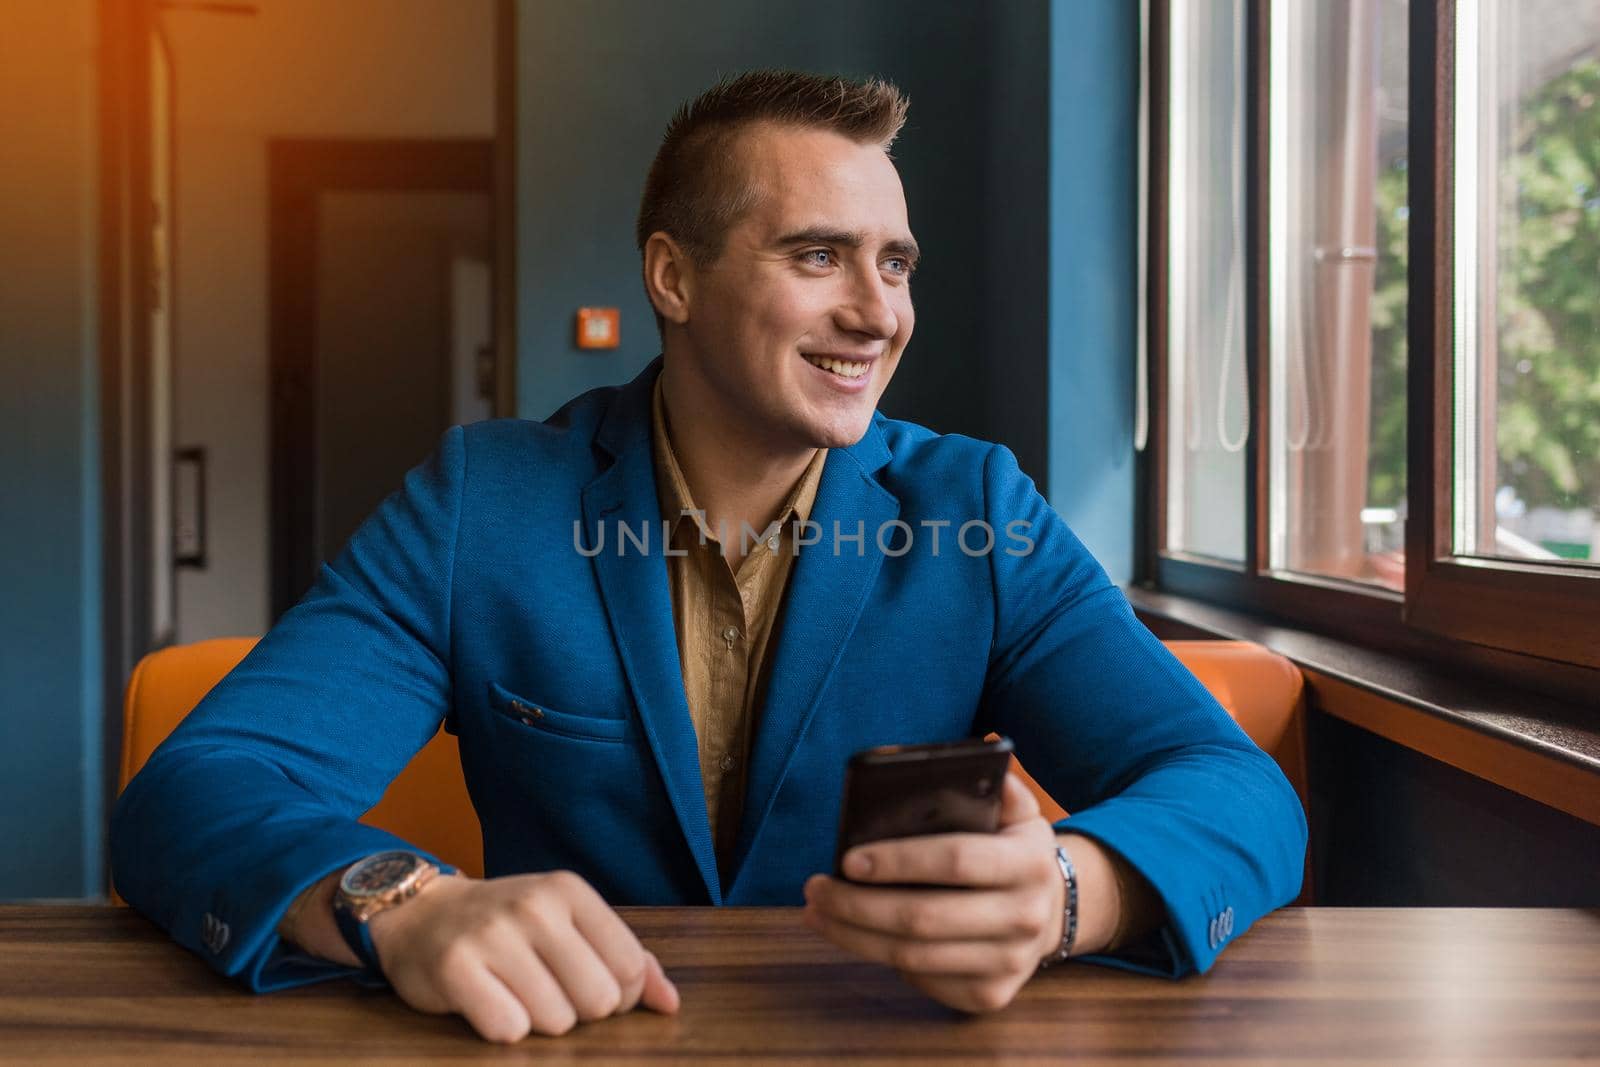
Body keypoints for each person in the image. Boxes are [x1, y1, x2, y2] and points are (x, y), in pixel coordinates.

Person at [112, 70, 1307, 1044]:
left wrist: (1062, 894)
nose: (877, 312)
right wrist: (399, 903)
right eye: (817, 255)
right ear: (672, 277)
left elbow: (1237, 787)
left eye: (893, 264)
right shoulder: (486, 501)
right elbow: (197, 787)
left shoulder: (976, 509)